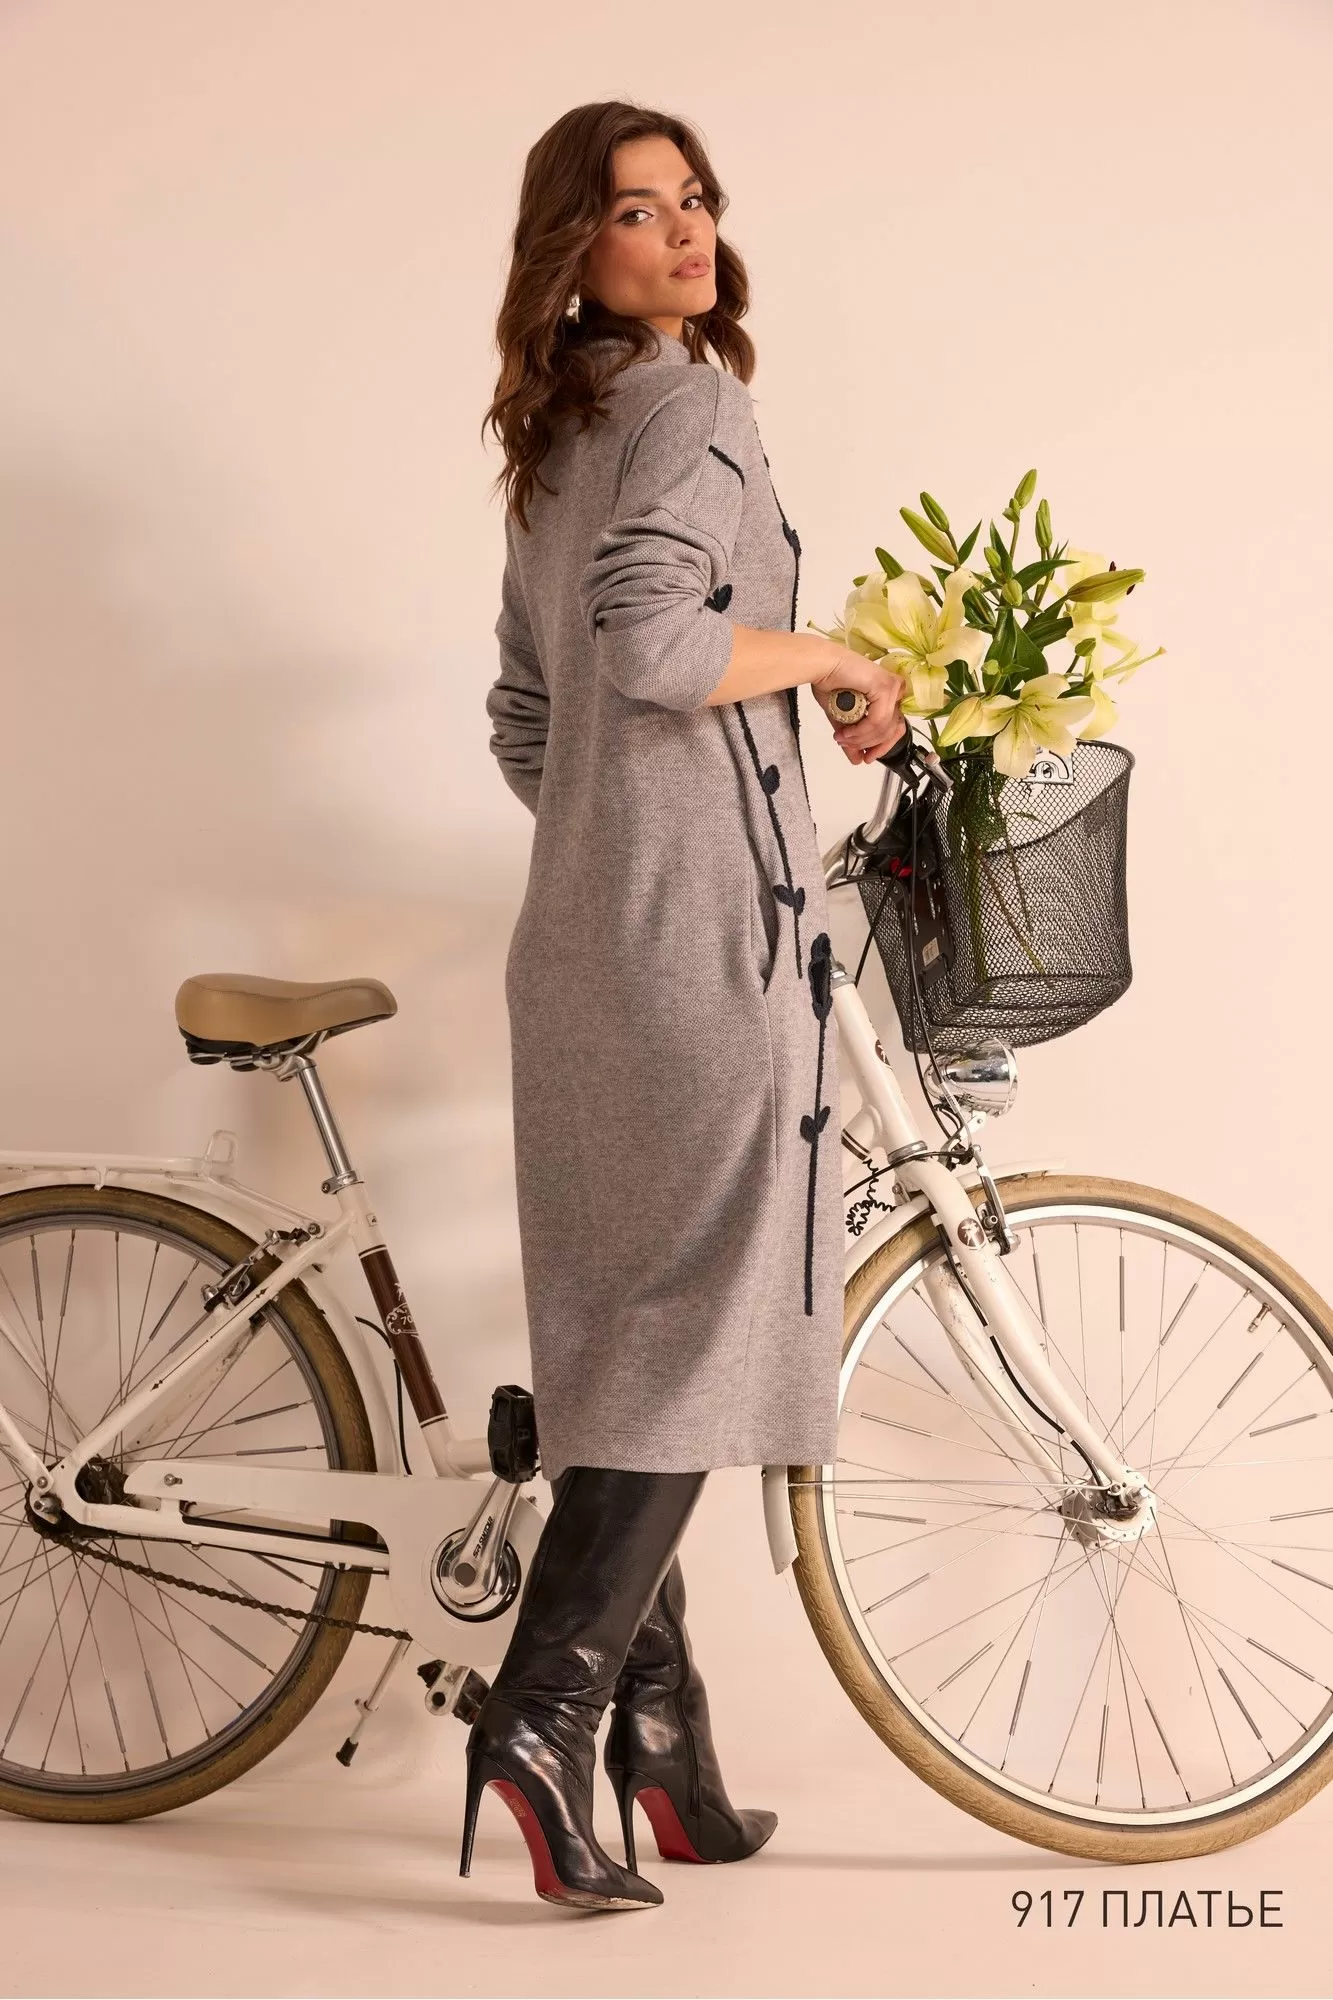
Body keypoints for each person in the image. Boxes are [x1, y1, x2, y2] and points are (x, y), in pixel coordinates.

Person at [467, 101, 906, 1911]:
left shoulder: (555, 433)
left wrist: (612, 836)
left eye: (696, 201)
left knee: (628, 1345)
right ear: (572, 249)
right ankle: (541, 1715)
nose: (684, 232)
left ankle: (665, 1742)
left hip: (577, 947)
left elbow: (530, 717)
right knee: (694, 1331)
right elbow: (656, 651)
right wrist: (838, 656)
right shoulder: (692, 406)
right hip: (707, 944)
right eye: (639, 210)